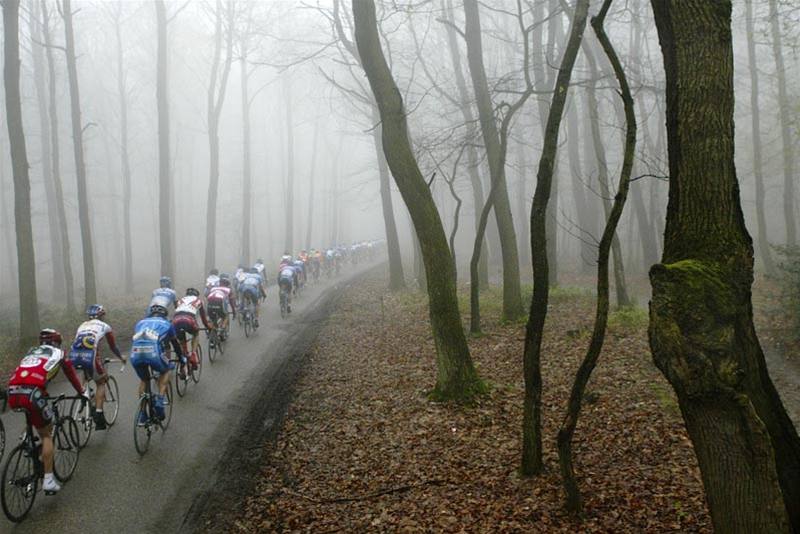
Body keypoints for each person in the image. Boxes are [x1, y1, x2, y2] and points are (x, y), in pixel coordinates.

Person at [6, 329, 87, 494]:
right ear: (57, 342)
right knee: (46, 434)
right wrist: (81, 392)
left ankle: (27, 439)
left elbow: (28, 374)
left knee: (32, 411)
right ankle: (49, 480)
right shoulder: (59, 353)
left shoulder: (31, 352)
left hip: (13, 393)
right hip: (33, 395)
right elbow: (71, 375)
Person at [68, 304, 126, 430]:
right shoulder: (105, 326)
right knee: (101, 382)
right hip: (91, 357)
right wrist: (121, 358)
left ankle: (84, 395)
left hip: (74, 356)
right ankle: (99, 414)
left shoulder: (82, 325)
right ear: (101, 316)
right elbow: (112, 346)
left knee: (85, 373)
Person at [131, 305, 184, 422]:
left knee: (144, 380)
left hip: (135, 353)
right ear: (164, 315)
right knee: (166, 370)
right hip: (153, 352)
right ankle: (160, 399)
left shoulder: (140, 323)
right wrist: (181, 358)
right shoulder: (167, 324)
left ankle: (142, 413)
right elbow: (174, 343)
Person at [172, 288, 213, 377]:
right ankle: (193, 353)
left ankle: (183, 363)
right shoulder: (199, 301)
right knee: (195, 333)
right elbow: (203, 318)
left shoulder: (180, 300)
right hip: (189, 319)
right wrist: (207, 327)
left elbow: (178, 310)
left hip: (176, 320)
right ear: (196, 295)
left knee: (182, 341)